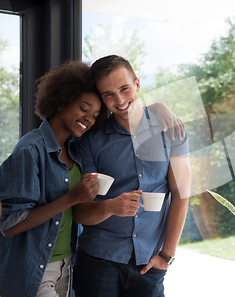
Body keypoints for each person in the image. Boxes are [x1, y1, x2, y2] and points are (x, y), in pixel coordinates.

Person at [73, 55, 191, 297]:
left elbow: (181, 193)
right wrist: (109, 207)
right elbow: (80, 212)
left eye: (124, 88)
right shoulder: (90, 142)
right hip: (98, 262)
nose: (119, 100)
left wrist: (166, 256)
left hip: (150, 264)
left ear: (137, 84)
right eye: (108, 94)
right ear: (101, 98)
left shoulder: (171, 130)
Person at [0, 61, 104, 297]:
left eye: (95, 115)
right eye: (84, 108)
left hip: (66, 264)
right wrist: (73, 197)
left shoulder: (75, 149)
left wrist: (160, 110)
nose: (89, 118)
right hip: (35, 267)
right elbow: (9, 224)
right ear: (62, 102)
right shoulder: (29, 151)